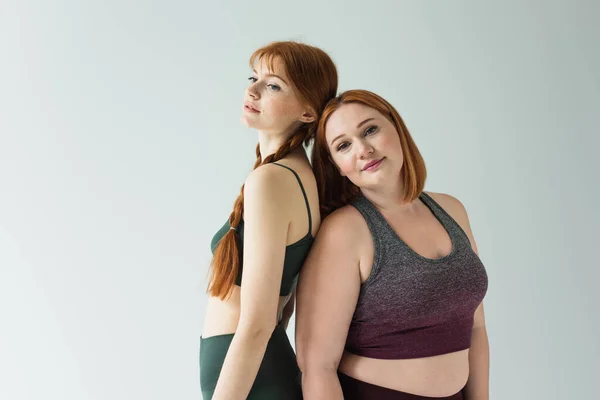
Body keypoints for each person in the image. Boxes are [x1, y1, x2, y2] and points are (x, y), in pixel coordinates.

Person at [296, 89, 489, 400]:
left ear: (396, 128)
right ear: (336, 166)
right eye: (344, 145)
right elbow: (317, 366)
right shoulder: (345, 232)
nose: (363, 149)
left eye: (370, 130)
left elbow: (476, 329)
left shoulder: (452, 210)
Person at [199, 41, 338, 400]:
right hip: (256, 371)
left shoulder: (271, 180)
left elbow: (259, 323)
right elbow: (284, 304)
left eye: (273, 85)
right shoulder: (298, 175)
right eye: (254, 78)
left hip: (249, 378)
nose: (253, 90)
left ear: (308, 112)